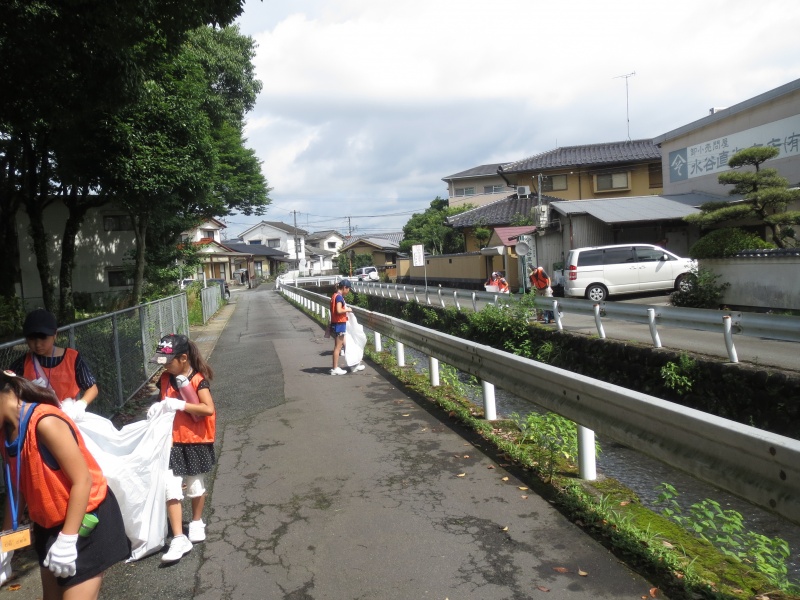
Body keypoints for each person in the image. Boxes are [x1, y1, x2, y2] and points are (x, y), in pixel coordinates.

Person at [0, 370, 130, 599]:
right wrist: (5, 546)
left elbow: (83, 480)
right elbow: (17, 490)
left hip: (85, 520)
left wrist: (68, 539)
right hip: (48, 525)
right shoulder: (6, 433)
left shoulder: (45, 422)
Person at [147, 334, 216, 563]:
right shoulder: (165, 379)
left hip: (195, 441)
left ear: (183, 358)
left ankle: (196, 521)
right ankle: (178, 537)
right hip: (171, 441)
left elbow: (208, 409)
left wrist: (180, 404)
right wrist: (157, 409)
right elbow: (162, 400)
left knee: (195, 485)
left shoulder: (198, 379)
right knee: (171, 487)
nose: (164, 367)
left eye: (168, 362)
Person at [9, 309, 98, 422]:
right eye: (32, 338)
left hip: (68, 417)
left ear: (55, 334)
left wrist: (81, 404)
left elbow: (92, 388)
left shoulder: (72, 358)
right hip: (36, 421)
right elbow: (8, 395)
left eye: (43, 337)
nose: (38, 344)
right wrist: (28, 392)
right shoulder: (21, 364)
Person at [329, 280, 358, 375]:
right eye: (348, 289)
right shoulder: (339, 297)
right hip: (339, 324)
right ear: (345, 287)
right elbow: (338, 310)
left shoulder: (334, 295)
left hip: (336, 323)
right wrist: (348, 309)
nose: (348, 291)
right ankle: (335, 368)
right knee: (338, 347)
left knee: (346, 345)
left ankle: (354, 365)